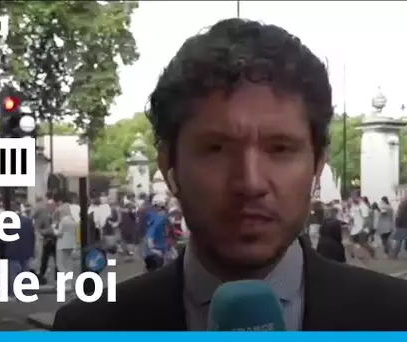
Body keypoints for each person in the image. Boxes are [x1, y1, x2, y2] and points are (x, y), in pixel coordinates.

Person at [53, 18, 407, 331]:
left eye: (280, 149)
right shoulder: (88, 327)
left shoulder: (396, 315)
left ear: (317, 165)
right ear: (168, 166)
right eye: (216, 149)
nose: (250, 183)